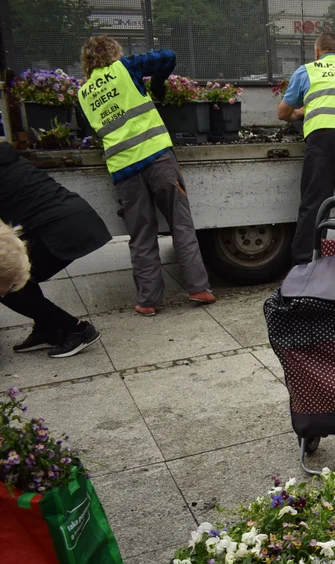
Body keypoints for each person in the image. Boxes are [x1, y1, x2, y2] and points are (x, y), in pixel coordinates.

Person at [77, 35, 216, 317]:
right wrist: (156, 84)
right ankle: (198, 288)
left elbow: (90, 129)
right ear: (115, 52)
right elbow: (169, 55)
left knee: (141, 234)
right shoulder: (127, 67)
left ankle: (148, 301)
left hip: (124, 168)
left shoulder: (83, 93)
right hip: (157, 157)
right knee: (180, 224)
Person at [0, 144, 111, 357]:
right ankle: (47, 329)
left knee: (8, 284)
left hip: (63, 229)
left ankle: (77, 330)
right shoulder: (7, 159)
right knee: (23, 280)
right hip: (70, 220)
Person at [276, 32, 335, 265]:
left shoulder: (307, 70)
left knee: (315, 201)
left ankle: (306, 262)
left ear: (317, 53)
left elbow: (282, 113)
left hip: (322, 137)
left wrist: (302, 112)